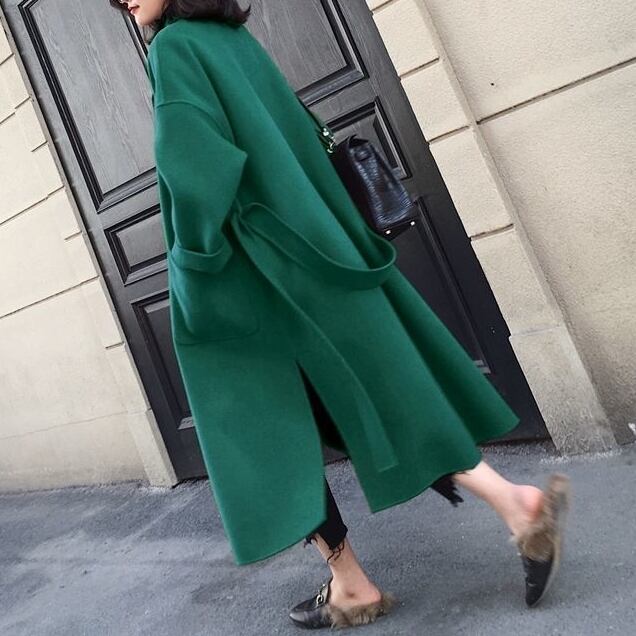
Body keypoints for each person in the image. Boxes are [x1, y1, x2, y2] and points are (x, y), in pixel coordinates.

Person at [110, 1, 571, 630]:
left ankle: (361, 580)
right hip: (310, 257)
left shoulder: (172, 48)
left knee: (268, 428)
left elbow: (195, 169)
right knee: (364, 395)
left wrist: (193, 264)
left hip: (254, 279)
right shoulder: (228, 39)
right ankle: (501, 507)